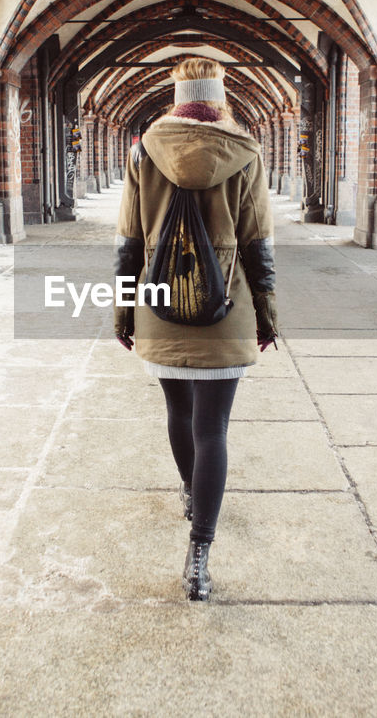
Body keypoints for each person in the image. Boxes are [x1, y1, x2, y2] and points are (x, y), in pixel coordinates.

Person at [113, 57, 278, 601]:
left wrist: (122, 310)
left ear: (177, 95)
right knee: (214, 430)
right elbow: (258, 244)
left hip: (159, 307)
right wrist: (268, 314)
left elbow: (129, 241)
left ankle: (190, 492)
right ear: (221, 96)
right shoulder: (246, 153)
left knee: (177, 413)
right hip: (225, 310)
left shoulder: (143, 152)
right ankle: (199, 553)